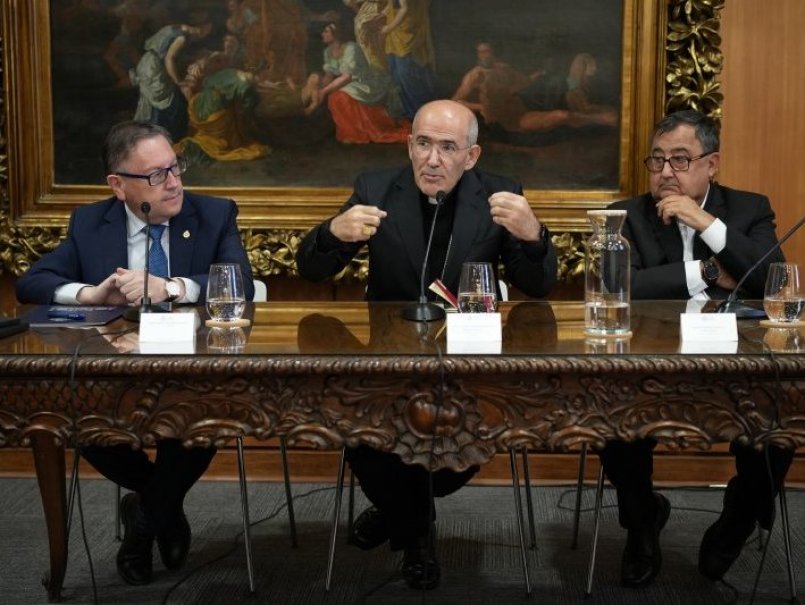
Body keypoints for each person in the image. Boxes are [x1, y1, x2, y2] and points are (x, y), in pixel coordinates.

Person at [296, 99, 557, 589]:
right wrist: (333, 232)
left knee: (470, 440)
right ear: (408, 144)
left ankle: (397, 513)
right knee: (357, 426)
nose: (432, 159)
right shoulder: (375, 188)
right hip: (384, 363)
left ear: (471, 156)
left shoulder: (501, 193)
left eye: (447, 147)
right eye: (422, 144)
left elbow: (539, 285)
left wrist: (533, 234)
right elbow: (311, 269)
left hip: (468, 362)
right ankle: (417, 536)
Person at [16, 120, 255, 586]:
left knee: (203, 423)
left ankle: (143, 522)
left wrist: (170, 286)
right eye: (156, 175)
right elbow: (33, 281)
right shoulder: (90, 222)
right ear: (118, 185)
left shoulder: (213, 214)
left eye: (175, 167)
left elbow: (239, 283)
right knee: (82, 422)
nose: (174, 182)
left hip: (192, 375)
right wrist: (89, 294)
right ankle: (161, 505)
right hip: (112, 378)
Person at [599, 109, 792, 588]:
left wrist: (705, 222)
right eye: (658, 160)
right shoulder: (626, 213)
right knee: (609, 416)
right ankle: (642, 522)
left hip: (738, 365)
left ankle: (738, 518)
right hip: (646, 362)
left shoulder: (750, 210)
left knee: (781, 421)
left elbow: (773, 282)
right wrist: (706, 273)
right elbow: (615, 286)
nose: (666, 172)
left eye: (681, 160)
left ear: (712, 164)